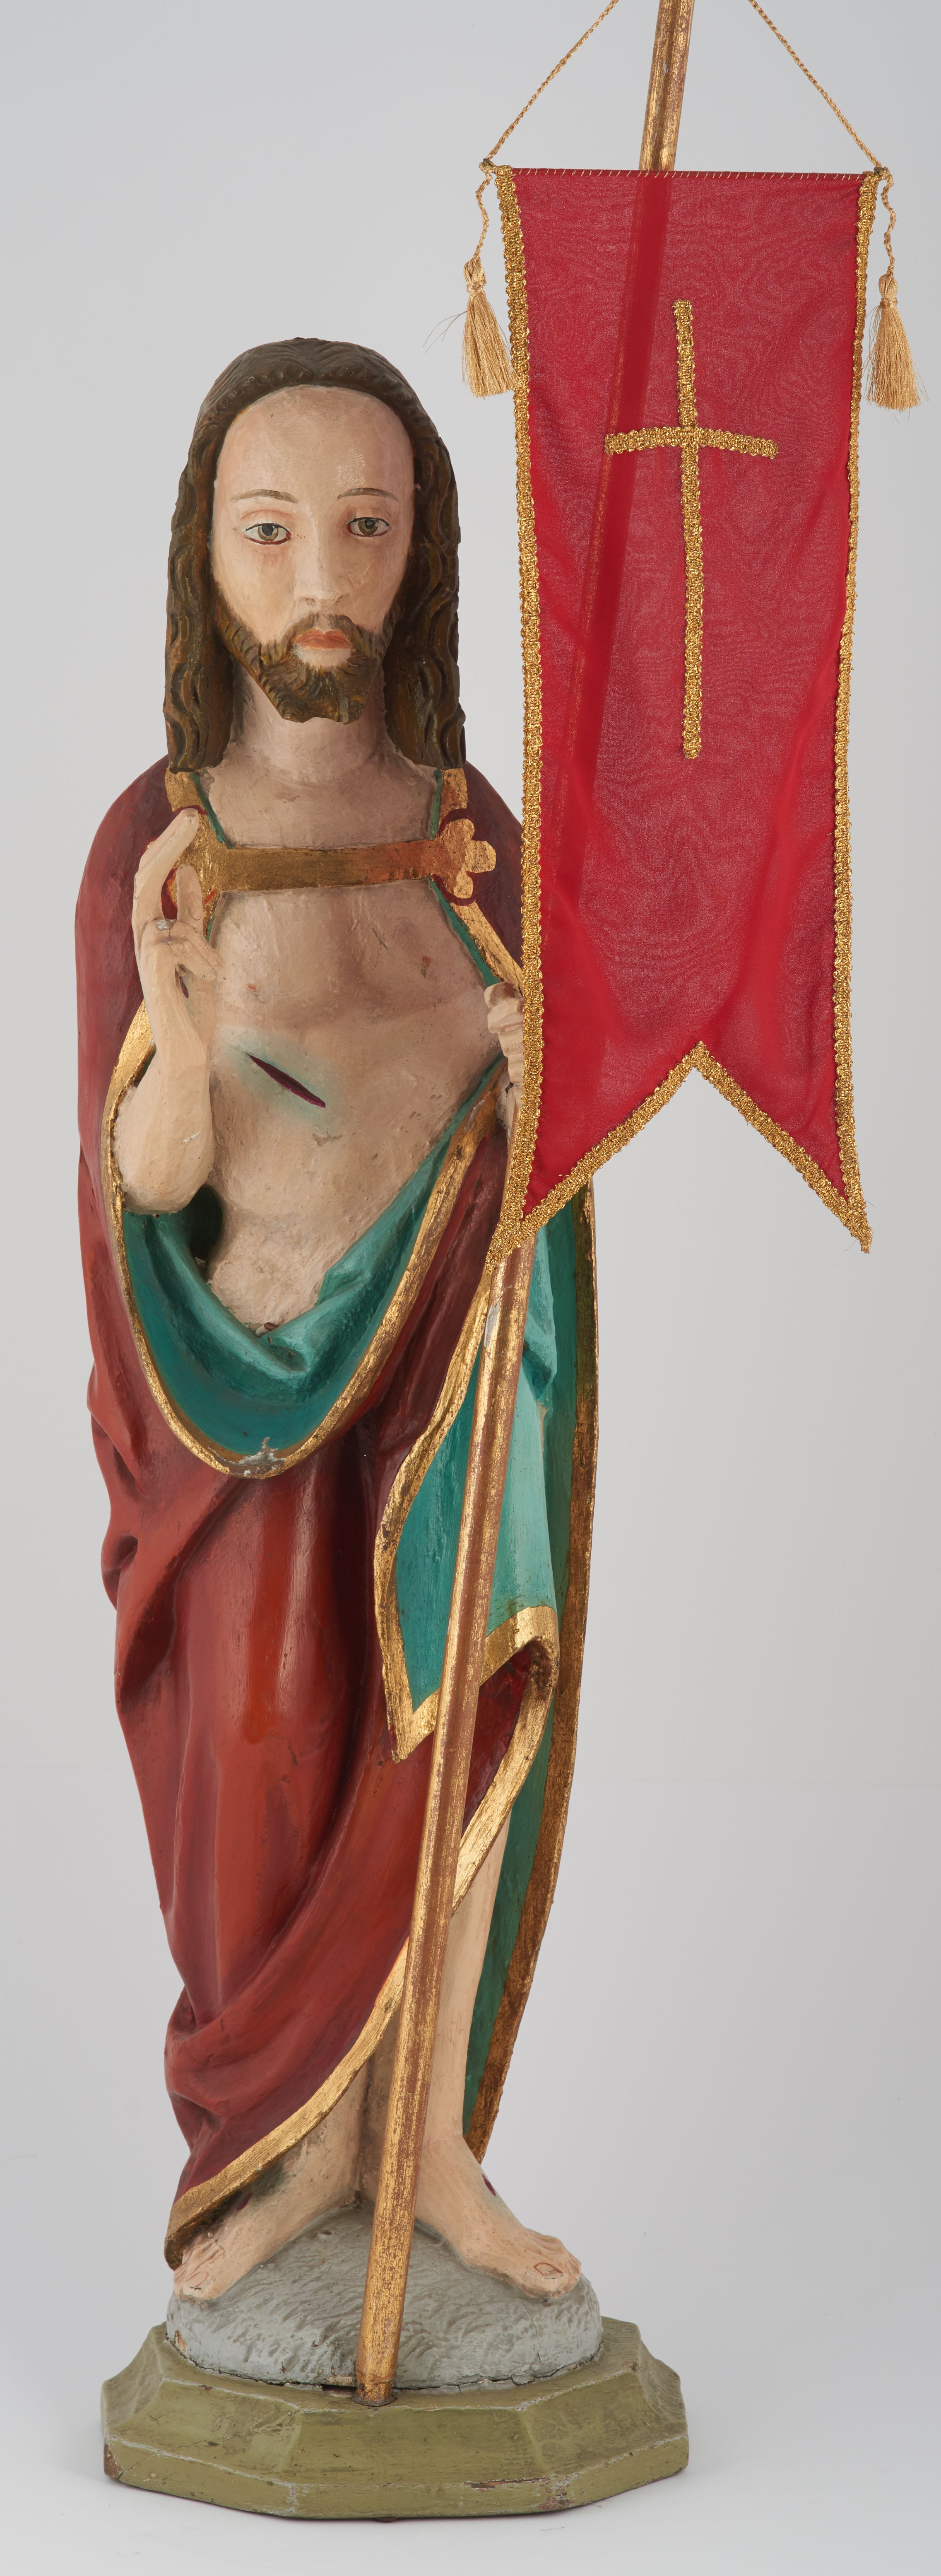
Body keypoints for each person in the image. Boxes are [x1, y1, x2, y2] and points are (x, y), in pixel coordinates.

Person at [77, 338, 596, 2306]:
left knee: (451, 1724)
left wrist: (546, 1075)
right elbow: (141, 1184)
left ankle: (429, 2153)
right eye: (273, 530)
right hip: (231, 1402)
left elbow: (550, 1131)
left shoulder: (472, 835)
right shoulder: (160, 840)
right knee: (263, 1741)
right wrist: (175, 1011)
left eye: (366, 530)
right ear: (204, 551)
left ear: (419, 553)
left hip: (455, 1364)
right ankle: (277, 2161)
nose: (321, 582)